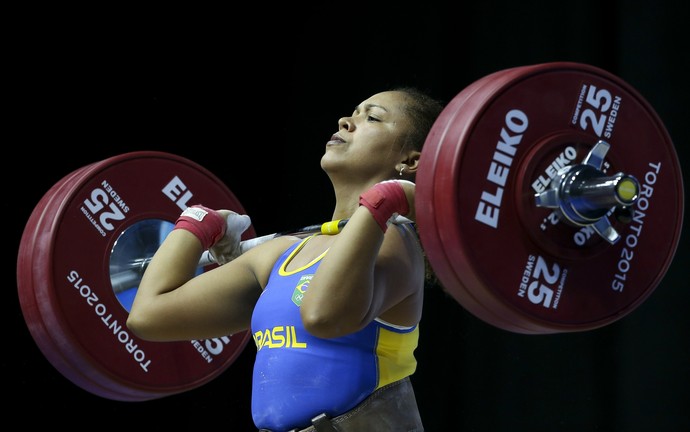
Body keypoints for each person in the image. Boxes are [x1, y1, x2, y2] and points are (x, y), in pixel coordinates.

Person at [126, 87, 445, 431]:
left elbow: (322, 315)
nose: (346, 121)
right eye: (353, 112)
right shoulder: (282, 253)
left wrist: (384, 202)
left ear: (410, 161)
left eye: (372, 117)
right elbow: (149, 315)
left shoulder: (395, 243)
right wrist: (198, 223)